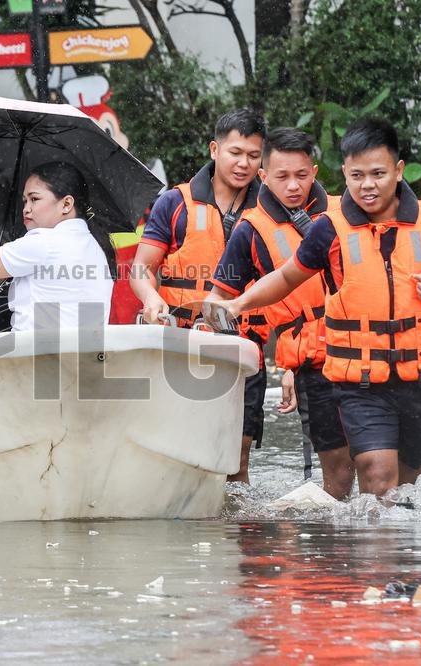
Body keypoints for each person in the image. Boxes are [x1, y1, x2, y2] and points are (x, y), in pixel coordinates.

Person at [206, 118, 421, 497]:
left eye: (377, 173)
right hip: (343, 373)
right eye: (358, 175)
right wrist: (237, 305)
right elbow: (283, 279)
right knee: (365, 475)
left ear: (397, 171)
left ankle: (390, 549)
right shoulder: (314, 228)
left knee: (407, 487)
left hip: (416, 374)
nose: (368, 184)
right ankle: (349, 552)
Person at [205, 127, 355, 499]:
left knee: (371, 463)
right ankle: (328, 549)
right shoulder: (250, 230)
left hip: (360, 351)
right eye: (282, 177)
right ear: (263, 177)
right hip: (311, 363)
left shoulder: (346, 211)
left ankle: (370, 542)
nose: (293, 186)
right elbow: (219, 297)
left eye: (302, 176)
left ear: (315, 172)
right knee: (332, 476)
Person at [129, 109, 269, 484]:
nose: (244, 163)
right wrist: (150, 297)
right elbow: (141, 267)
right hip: (181, 345)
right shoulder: (174, 203)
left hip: (242, 346)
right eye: (235, 152)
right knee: (175, 451)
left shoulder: (271, 208)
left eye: (253, 156)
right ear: (214, 149)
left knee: (237, 458)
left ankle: (234, 535)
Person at [0, 161, 114, 331]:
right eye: (25, 200)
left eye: (35, 199)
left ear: (66, 204)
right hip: (82, 362)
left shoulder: (45, 242)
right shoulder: (97, 248)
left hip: (37, 361)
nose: (26, 208)